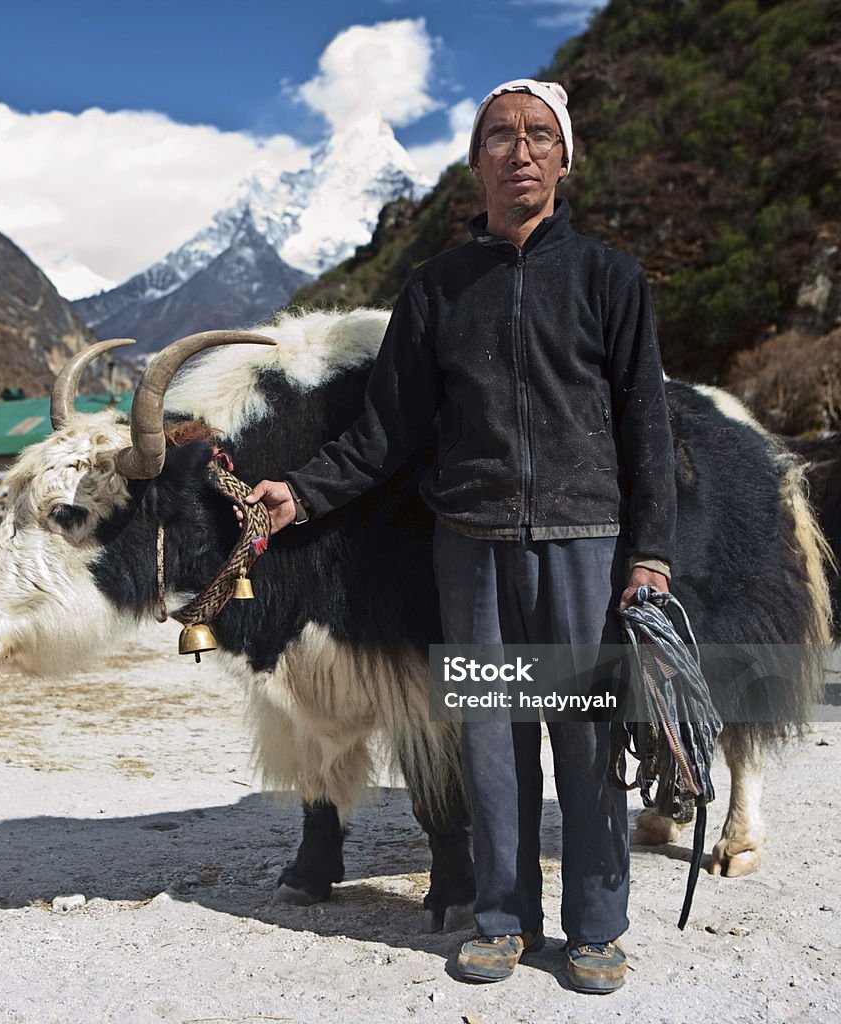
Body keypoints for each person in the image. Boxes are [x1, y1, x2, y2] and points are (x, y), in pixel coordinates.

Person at [244, 78, 675, 994]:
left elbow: (648, 429)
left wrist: (651, 553)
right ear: (475, 162)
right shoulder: (436, 290)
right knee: (489, 742)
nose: (520, 151)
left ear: (564, 158)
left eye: (539, 136)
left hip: (586, 544)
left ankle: (596, 928)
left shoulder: (609, 278)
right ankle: (503, 920)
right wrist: (301, 494)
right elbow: (385, 434)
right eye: (501, 137)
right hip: (470, 551)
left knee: (588, 744)